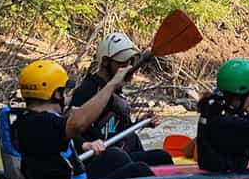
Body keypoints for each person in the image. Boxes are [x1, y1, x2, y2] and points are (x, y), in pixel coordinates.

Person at [11, 59, 151, 179]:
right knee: (139, 170)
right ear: (57, 94)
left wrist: (84, 143)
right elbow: (78, 124)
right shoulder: (41, 123)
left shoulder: (28, 120)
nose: (67, 95)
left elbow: (57, 134)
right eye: (64, 91)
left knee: (115, 156)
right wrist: (112, 84)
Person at [67, 32, 177, 169]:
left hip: (120, 151)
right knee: (159, 158)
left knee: (149, 149)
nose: (128, 67)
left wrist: (141, 123)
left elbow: (118, 129)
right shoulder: (87, 90)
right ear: (106, 62)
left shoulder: (117, 91)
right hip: (100, 160)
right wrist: (86, 145)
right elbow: (69, 130)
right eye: (122, 62)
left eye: (130, 62)